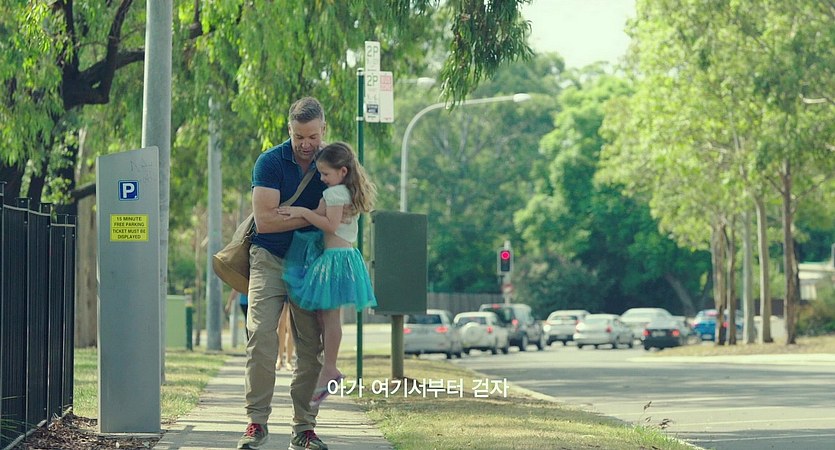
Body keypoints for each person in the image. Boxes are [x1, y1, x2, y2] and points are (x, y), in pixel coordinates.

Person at [237, 97, 330, 450]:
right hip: (269, 258)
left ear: (323, 129)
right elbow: (265, 221)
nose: (306, 144)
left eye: (312, 137)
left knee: (311, 347)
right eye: (298, 137)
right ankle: (256, 423)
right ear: (288, 130)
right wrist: (313, 215)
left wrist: (298, 213)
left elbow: (342, 215)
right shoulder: (270, 162)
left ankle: (304, 428)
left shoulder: (333, 162)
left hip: (309, 264)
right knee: (260, 335)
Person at [278, 141, 377, 406]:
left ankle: (330, 367)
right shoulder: (343, 192)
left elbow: (330, 225)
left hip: (335, 260)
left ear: (342, 172)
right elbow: (322, 216)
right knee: (327, 315)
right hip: (342, 258)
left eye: (325, 173)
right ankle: (329, 366)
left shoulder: (335, 193)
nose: (321, 178)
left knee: (331, 317)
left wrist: (302, 211)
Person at [276, 305, 295, 371]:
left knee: (290, 326)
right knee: (280, 324)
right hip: (281, 299)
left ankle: (288, 360)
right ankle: (279, 359)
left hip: (293, 299)